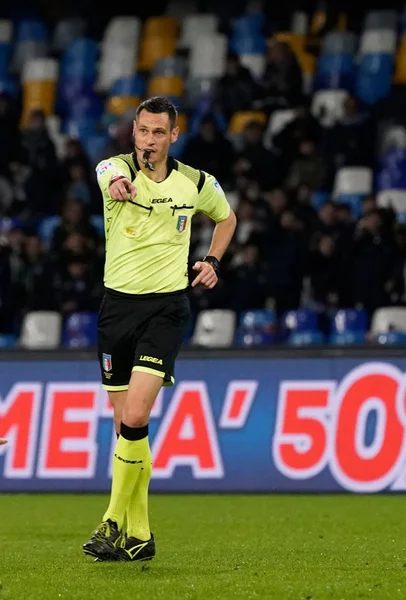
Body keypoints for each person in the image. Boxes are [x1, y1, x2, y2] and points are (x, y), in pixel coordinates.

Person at [82, 96, 237, 563]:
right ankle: (141, 534)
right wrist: (121, 185)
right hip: (116, 309)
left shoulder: (195, 182)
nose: (148, 140)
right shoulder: (113, 168)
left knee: (133, 416)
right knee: (128, 425)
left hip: (165, 309)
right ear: (134, 131)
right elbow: (111, 179)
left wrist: (212, 260)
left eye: (158, 132)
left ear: (173, 135)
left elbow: (226, 219)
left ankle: (112, 520)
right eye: (142, 131)